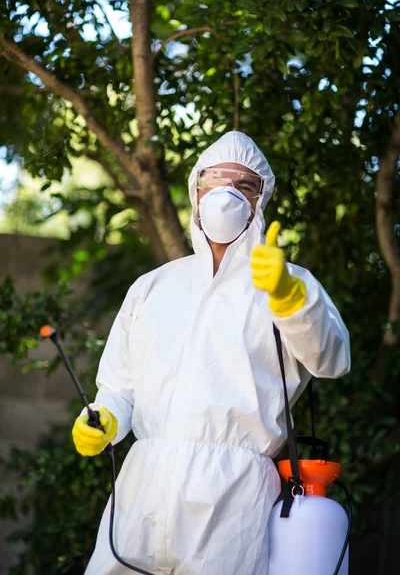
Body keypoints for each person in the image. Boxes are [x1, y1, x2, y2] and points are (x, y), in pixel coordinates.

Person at [72, 131, 350, 575]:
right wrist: (104, 418)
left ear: (261, 200)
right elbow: (119, 387)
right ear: (195, 190)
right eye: (216, 181)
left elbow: (332, 359)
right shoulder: (154, 286)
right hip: (144, 484)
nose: (227, 194)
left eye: (244, 186)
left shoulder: (289, 282)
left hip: (232, 493)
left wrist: (290, 299)